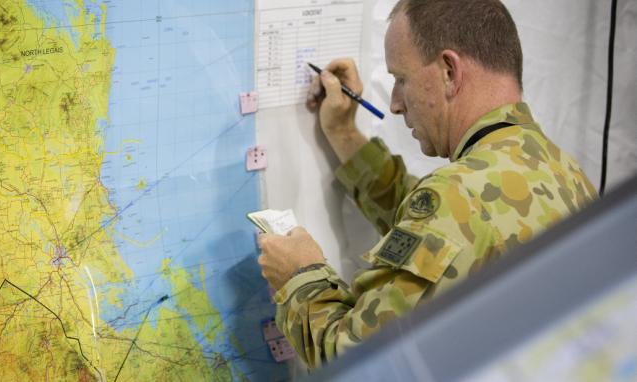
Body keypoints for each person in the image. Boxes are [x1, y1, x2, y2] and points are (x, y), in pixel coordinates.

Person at [256, 0, 597, 369]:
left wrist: (300, 277)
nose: (395, 103)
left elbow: (361, 363)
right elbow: (440, 232)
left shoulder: (457, 197)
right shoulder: (562, 170)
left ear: (449, 71)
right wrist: (342, 133)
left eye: (401, 78)